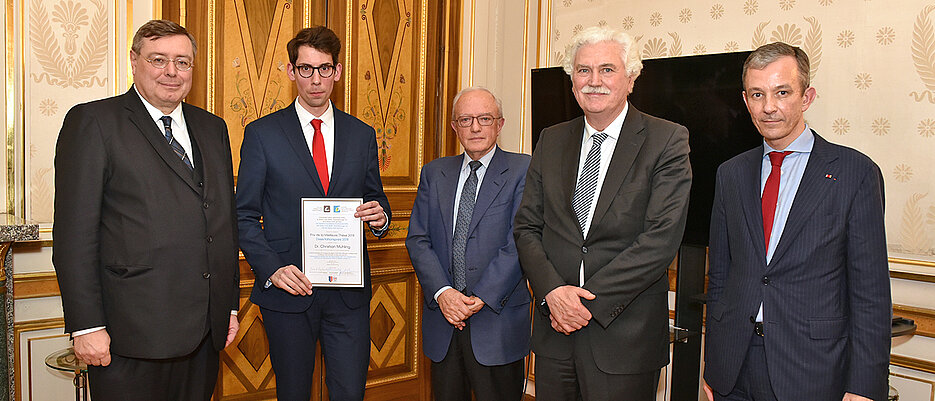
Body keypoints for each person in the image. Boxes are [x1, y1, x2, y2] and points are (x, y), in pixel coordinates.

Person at [52, 19, 240, 401]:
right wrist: (86, 326)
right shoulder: (94, 122)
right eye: (159, 59)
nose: (172, 72)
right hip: (129, 334)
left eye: (183, 62)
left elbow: (222, 222)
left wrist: (229, 306)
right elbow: (74, 236)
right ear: (134, 61)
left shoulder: (212, 128)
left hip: (204, 332)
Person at [703, 42, 891, 401]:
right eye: (757, 94)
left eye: (782, 92)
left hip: (814, 370)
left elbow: (871, 294)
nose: (769, 107)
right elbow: (722, 278)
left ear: (807, 97)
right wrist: (713, 366)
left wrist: (864, 386)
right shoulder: (731, 174)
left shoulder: (855, 173)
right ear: (745, 101)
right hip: (735, 369)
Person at [513, 26, 692, 400]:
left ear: (631, 78)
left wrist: (583, 302)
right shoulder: (551, 138)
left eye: (607, 70)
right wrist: (553, 292)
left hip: (624, 337)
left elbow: (659, 240)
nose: (594, 81)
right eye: (583, 71)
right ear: (572, 80)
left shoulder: (667, 139)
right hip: (555, 332)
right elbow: (527, 227)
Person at [236, 26, 390, 401]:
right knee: (293, 393)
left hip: (348, 297)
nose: (316, 79)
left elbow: (375, 199)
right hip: (288, 293)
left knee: (349, 392)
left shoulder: (362, 134)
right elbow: (242, 216)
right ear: (291, 72)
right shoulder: (262, 134)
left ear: (338, 71)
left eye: (324, 68)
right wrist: (272, 268)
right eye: (306, 69)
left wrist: (381, 218)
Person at [406, 87, 531, 401]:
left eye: (484, 118)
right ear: (454, 127)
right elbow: (418, 239)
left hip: (497, 321)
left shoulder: (523, 170)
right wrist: (443, 293)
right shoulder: (434, 173)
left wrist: (481, 297)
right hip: (444, 320)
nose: (475, 127)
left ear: (499, 124)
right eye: (465, 119)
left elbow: (520, 241)